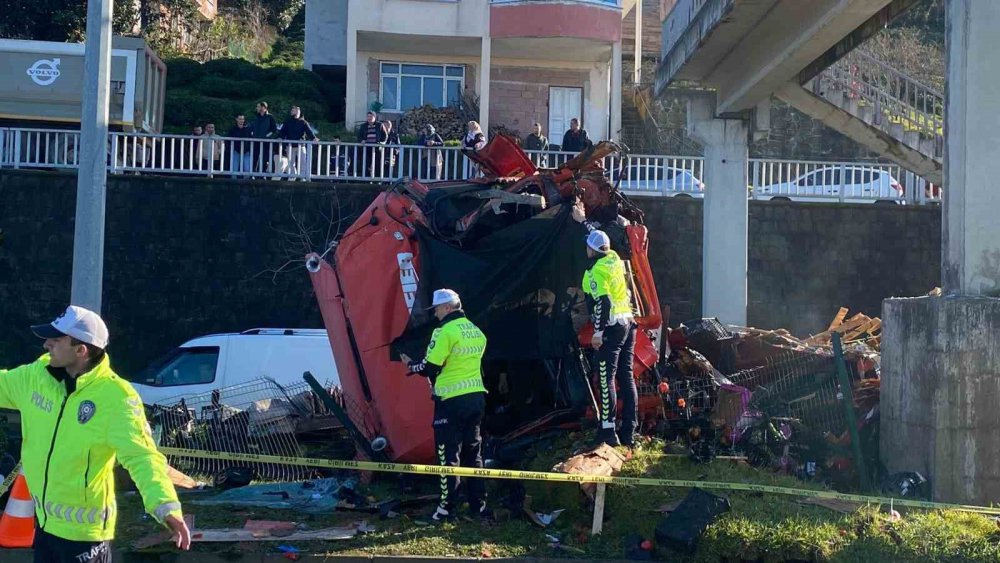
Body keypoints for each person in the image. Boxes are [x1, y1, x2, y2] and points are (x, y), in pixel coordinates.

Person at [0, 306, 192, 562]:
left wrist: (166, 507)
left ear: (81, 350)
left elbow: (142, 457)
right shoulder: (36, 376)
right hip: (45, 529)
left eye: (56, 341)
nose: (46, 345)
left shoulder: (117, 397)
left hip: (85, 538)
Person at [400, 289, 488, 523]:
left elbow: (430, 367)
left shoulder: (444, 331)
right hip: (476, 397)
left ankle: (446, 509)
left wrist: (412, 365)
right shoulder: (476, 331)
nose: (436, 313)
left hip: (450, 401)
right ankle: (478, 506)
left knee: (447, 455)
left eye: (437, 309)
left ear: (448, 307)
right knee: (474, 453)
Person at [573, 209, 638, 448]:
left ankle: (608, 432)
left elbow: (603, 301)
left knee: (605, 376)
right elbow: (600, 241)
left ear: (591, 251)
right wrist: (584, 222)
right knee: (626, 377)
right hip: (628, 323)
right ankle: (630, 432)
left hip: (610, 328)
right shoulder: (614, 259)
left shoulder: (595, 272)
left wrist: (598, 332)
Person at [277, 106, 317, 181]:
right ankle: (293, 175)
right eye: (291, 110)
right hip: (290, 145)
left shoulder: (303, 122)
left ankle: (302, 177)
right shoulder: (288, 121)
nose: (292, 111)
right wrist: (280, 137)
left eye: (293, 110)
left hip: (300, 145)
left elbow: (309, 131)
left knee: (303, 162)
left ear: (298, 111)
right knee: (291, 163)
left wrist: (314, 138)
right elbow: (283, 131)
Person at [355, 111, 387, 178]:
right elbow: (359, 136)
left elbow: (385, 135)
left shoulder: (380, 125)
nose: (369, 118)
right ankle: (366, 179)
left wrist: (382, 143)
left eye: (371, 116)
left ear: (375, 117)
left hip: (377, 148)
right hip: (366, 148)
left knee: (377, 164)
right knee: (366, 163)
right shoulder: (363, 126)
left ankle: (378, 179)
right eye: (368, 116)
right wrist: (361, 140)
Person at [250, 101, 279, 173]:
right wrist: (252, 134)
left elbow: (274, 130)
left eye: (258, 106)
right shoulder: (256, 117)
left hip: (266, 143)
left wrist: (266, 137)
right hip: (256, 142)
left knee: (264, 159)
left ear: (264, 108)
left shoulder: (270, 117)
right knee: (254, 158)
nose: (257, 108)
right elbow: (251, 127)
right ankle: (253, 175)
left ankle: (262, 175)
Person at [227, 114, 254, 179]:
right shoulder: (232, 129)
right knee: (234, 170)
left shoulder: (248, 129)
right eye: (240, 119)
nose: (241, 121)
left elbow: (251, 139)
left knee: (247, 170)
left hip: (246, 151)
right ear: (236, 119)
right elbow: (228, 140)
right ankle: (233, 186)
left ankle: (246, 186)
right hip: (236, 151)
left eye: (242, 119)